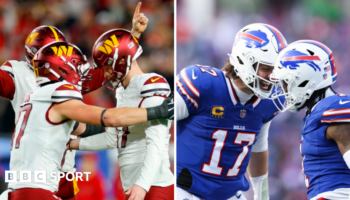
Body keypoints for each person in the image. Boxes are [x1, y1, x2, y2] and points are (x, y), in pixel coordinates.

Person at [0, 2, 149, 199]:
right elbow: (107, 115)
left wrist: (133, 37)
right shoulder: (21, 74)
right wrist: (152, 113)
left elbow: (105, 71)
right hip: (38, 164)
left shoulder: (62, 74)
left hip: (56, 161)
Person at [176, 23, 287, 200]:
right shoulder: (203, 84)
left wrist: (262, 196)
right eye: (267, 69)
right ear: (244, 60)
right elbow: (161, 119)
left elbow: (258, 147)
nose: (273, 77)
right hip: (185, 190)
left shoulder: (268, 101)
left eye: (276, 70)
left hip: (230, 195)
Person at [68, 29, 174, 200]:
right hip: (134, 187)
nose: (105, 72)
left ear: (122, 60)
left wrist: (142, 185)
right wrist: (72, 144)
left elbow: (157, 142)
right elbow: (113, 138)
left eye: (107, 64)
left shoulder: (151, 84)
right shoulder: (122, 90)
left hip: (154, 186)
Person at [270, 40, 350, 200]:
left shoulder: (332, 108)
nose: (283, 89)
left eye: (286, 82)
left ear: (304, 79)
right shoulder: (317, 111)